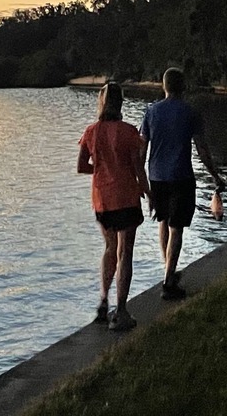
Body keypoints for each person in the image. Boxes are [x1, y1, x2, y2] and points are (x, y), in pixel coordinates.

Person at [139, 67, 226, 300]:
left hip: (156, 177)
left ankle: (168, 269)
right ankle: (169, 281)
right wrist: (215, 176)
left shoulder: (150, 112)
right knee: (176, 228)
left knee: (163, 221)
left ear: (164, 86)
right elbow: (202, 148)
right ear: (183, 86)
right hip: (181, 177)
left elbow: (141, 149)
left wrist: (140, 181)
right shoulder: (190, 113)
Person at [77, 82, 150, 331]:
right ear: (120, 103)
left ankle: (103, 301)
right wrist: (148, 193)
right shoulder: (128, 132)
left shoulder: (91, 132)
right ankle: (121, 311)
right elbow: (139, 169)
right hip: (127, 198)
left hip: (103, 200)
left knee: (110, 248)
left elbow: (81, 166)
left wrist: (101, 169)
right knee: (125, 253)